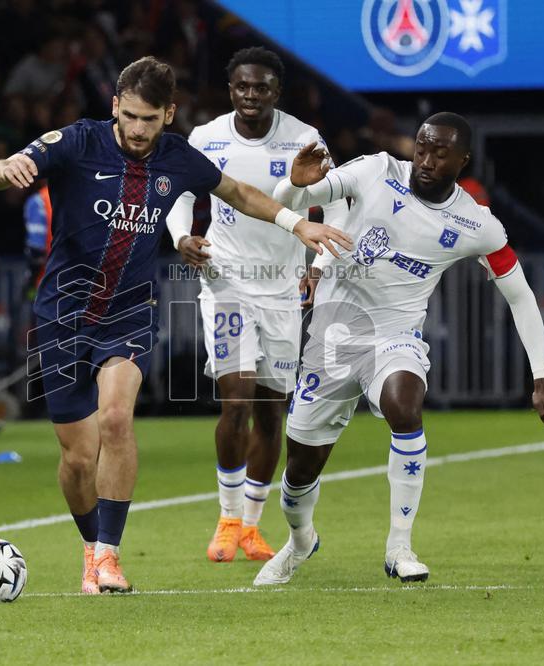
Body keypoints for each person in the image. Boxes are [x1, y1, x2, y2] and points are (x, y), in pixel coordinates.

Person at [0, 56, 350, 594]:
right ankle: (90, 550)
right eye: (129, 116)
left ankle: (109, 557)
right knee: (78, 457)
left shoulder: (179, 157)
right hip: (61, 311)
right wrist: (7, 167)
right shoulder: (77, 142)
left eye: (149, 119)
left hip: (129, 310)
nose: (137, 129)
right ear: (115, 107)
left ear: (168, 115)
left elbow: (238, 193)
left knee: (115, 421)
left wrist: (298, 225)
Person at [253, 113, 544, 586]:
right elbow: (299, 200)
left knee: (405, 406)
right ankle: (300, 543)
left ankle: (399, 546)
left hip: (394, 336)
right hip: (332, 338)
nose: (427, 158)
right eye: (422, 146)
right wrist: (291, 186)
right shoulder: (375, 170)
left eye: (441, 152)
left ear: (462, 160)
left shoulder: (476, 223)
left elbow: (519, 295)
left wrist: (541, 377)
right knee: (298, 471)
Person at [166, 47, 348, 563]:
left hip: (284, 289)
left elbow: (334, 202)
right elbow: (180, 198)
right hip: (225, 280)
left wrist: (319, 269)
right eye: (243, 86)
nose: (251, 95)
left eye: (261, 87)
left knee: (272, 414)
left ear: (276, 91)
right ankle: (225, 519)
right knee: (237, 398)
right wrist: (183, 236)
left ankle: (251, 525)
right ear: (231, 89)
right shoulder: (206, 138)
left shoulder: (303, 138)